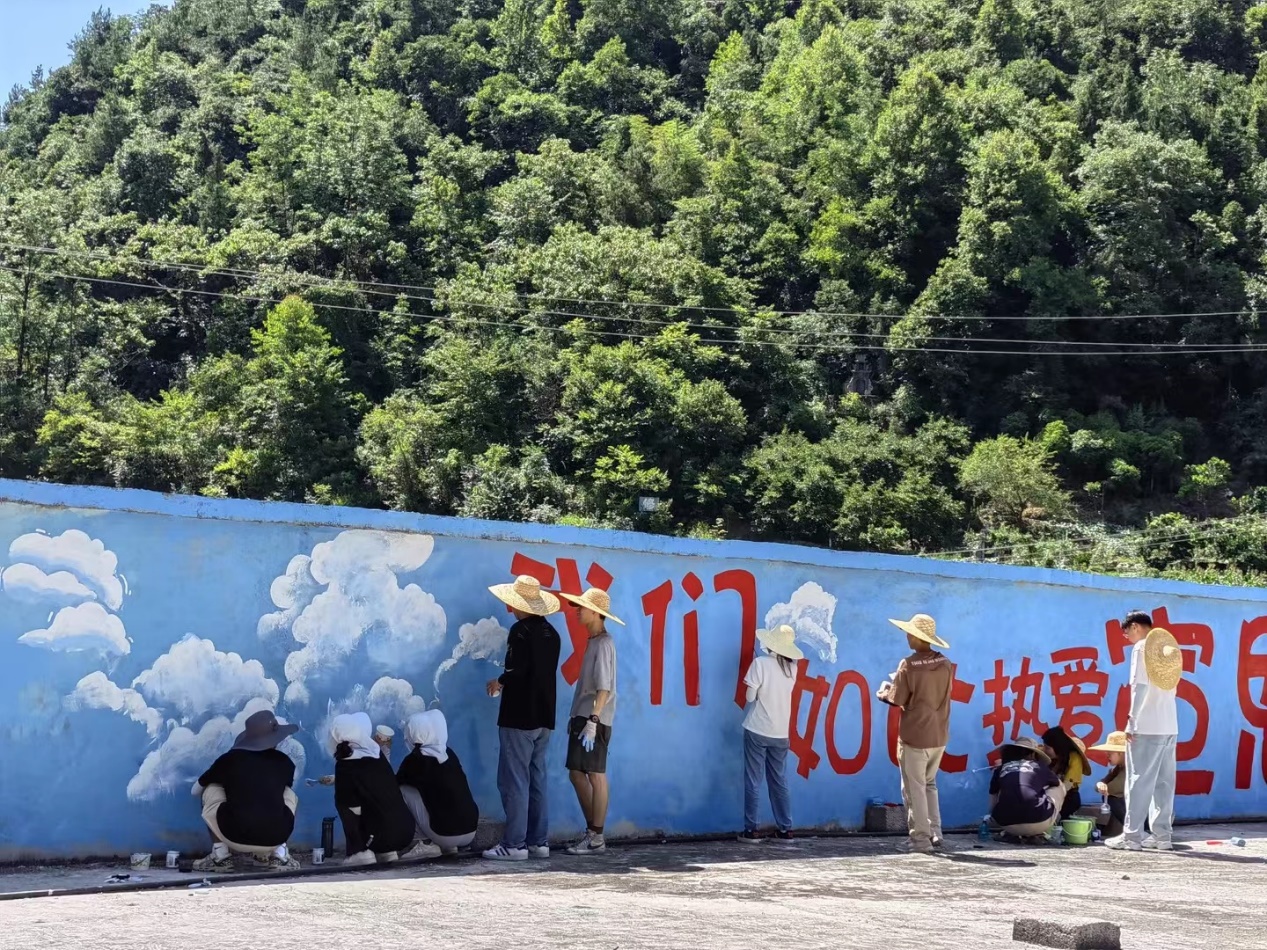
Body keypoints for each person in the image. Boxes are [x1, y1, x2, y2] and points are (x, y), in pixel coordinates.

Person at [483, 575, 563, 862]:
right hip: (544, 716)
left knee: (514, 781)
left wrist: (499, 682)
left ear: (521, 604)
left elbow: (517, 671)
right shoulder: (553, 634)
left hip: (519, 716)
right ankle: (538, 842)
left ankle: (514, 844)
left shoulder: (520, 631)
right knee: (537, 779)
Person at [1106, 611, 1182, 852]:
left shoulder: (1141, 648)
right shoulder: (1168, 649)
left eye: (1126, 631)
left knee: (1138, 781)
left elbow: (1139, 686)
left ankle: (1132, 836)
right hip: (1169, 725)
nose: (1126, 636)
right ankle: (1163, 837)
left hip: (1147, 725)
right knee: (1164, 783)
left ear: (1136, 627)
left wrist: (1132, 719)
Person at [877, 613, 953, 854]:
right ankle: (935, 833)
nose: (907, 637)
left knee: (914, 788)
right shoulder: (945, 664)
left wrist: (884, 692)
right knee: (930, 784)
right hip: (938, 735)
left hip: (915, 735)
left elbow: (897, 699)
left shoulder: (908, 665)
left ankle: (920, 840)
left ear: (918, 637)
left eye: (910, 634)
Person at [191, 710, 301, 872]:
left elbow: (195, 790)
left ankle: (220, 857)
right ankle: (279, 855)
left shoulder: (229, 759)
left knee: (211, 788)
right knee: (288, 794)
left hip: (233, 835)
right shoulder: (285, 762)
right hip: (276, 837)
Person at [558, 587, 623, 856]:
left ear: (596, 613)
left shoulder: (604, 643)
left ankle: (596, 836)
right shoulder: (594, 641)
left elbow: (604, 688)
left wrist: (593, 720)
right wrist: (577, 715)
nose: (577, 611)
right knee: (576, 773)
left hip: (595, 717)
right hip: (583, 715)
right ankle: (593, 831)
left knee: (596, 774)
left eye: (582, 607)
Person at [737, 624, 802, 844]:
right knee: (779, 781)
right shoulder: (792, 668)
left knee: (753, 780)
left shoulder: (760, 663)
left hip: (757, 729)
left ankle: (751, 830)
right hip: (781, 733)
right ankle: (786, 829)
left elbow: (749, 697)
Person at [330, 712, 416, 866]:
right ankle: (387, 853)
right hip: (406, 833)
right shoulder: (377, 753)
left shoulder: (345, 763)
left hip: (380, 837)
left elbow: (350, 804)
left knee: (343, 803)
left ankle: (359, 852)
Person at [397, 710, 478, 856]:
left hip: (444, 834)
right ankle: (449, 848)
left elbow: (391, 787)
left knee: (401, 790)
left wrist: (383, 752)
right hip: (471, 830)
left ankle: (425, 843)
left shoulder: (415, 760)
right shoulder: (449, 754)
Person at [989, 737, 1066, 843]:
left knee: (1005, 788)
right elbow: (1056, 783)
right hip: (1039, 822)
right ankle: (1038, 833)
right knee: (1058, 786)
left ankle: (1010, 834)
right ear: (1033, 754)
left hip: (1006, 824)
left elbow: (993, 795)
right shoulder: (1038, 766)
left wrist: (994, 816)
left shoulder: (1000, 769)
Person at [1041, 726, 1090, 820]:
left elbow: (1067, 785)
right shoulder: (1046, 757)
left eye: (1047, 748)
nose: (1044, 750)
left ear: (1058, 748)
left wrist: (1052, 799)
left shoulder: (1074, 758)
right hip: (1049, 797)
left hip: (1067, 798)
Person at [1091, 731, 1128, 839]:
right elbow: (1100, 785)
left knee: (1112, 798)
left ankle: (1137, 830)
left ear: (1120, 753)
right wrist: (1100, 784)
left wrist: (1102, 786)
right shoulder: (1117, 769)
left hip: (1144, 813)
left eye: (1110, 753)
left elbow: (1112, 789)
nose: (1107, 755)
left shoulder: (1130, 769)